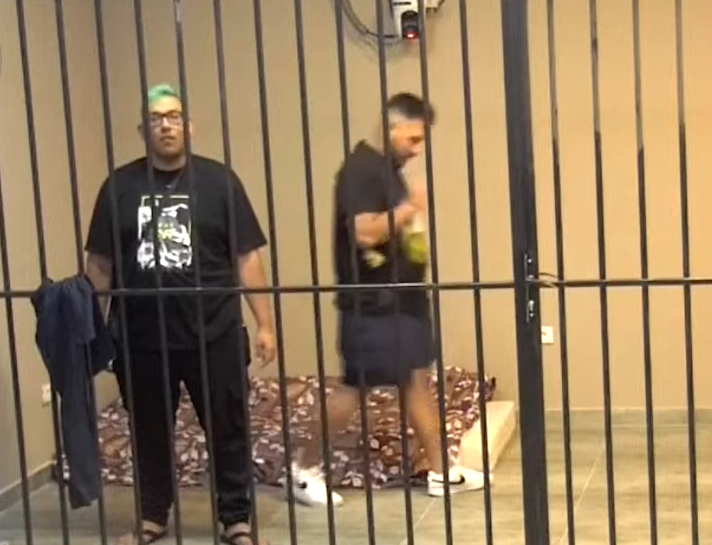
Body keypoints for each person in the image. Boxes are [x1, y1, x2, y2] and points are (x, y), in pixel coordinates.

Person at [84, 83, 275, 545]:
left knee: (228, 427)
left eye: (173, 117)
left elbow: (246, 256)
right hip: (141, 336)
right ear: (142, 130)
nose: (165, 126)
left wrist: (266, 323)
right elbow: (100, 265)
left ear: (188, 127)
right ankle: (153, 516)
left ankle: (236, 519)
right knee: (148, 431)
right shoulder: (118, 187)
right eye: (156, 119)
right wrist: (92, 330)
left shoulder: (220, 182)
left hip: (214, 331)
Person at [288, 93, 488, 507]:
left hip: (402, 302)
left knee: (416, 379)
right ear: (390, 126)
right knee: (354, 388)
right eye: (413, 139)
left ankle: (441, 472)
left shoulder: (386, 171)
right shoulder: (361, 170)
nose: (417, 149)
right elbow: (365, 232)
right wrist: (411, 208)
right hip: (372, 305)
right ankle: (303, 470)